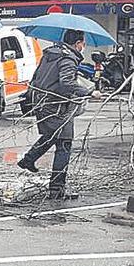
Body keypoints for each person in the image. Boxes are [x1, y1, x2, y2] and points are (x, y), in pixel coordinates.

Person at [17, 29, 102, 200]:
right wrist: (87, 92)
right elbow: (66, 82)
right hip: (55, 106)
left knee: (52, 136)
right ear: (78, 44)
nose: (83, 47)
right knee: (64, 144)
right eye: (83, 44)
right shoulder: (68, 59)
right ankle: (57, 189)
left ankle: (28, 160)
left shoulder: (49, 55)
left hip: (42, 102)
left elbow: (36, 78)